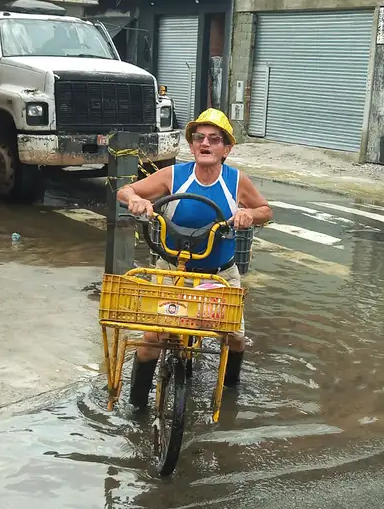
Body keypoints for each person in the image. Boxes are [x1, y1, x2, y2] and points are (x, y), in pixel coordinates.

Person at [117, 107, 273, 410]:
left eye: (215, 139)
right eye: (199, 138)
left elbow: (266, 211)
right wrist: (136, 200)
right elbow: (126, 190)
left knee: (235, 338)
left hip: (219, 275)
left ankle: (230, 392)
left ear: (226, 148)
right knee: (152, 341)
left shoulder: (237, 181)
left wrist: (247, 214)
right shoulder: (174, 175)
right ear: (191, 146)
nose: (205, 144)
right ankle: (136, 405)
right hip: (171, 271)